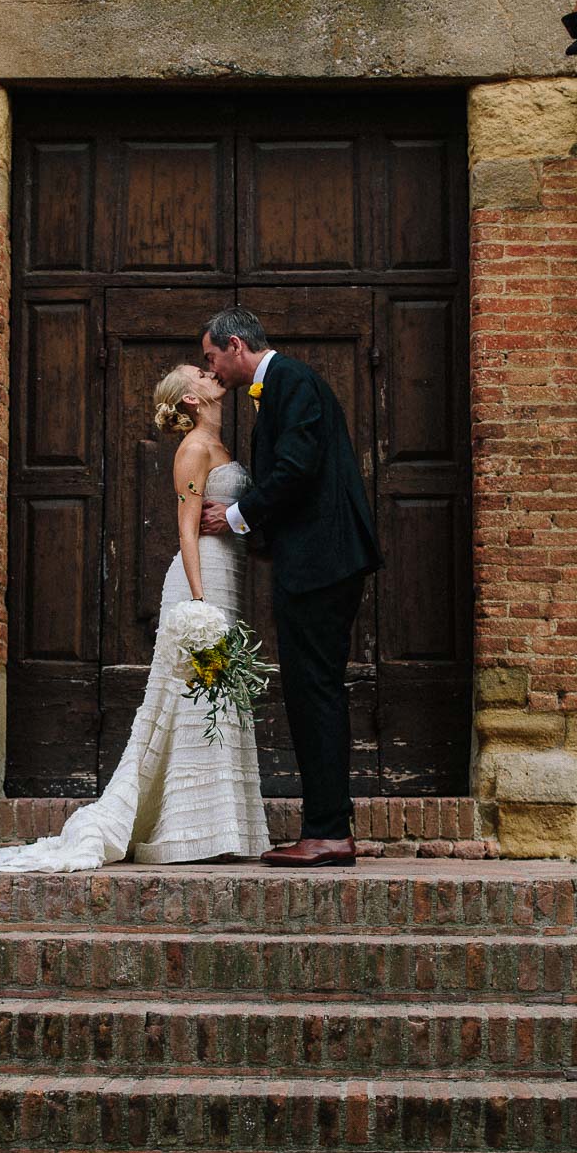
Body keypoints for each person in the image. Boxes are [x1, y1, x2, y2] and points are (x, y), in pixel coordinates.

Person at [0, 364, 269, 873]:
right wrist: (199, 603)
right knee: (198, 698)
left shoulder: (222, 445)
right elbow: (186, 529)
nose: (210, 371)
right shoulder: (193, 448)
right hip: (204, 583)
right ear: (192, 399)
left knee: (221, 697)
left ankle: (222, 824)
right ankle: (187, 831)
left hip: (229, 578)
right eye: (199, 372)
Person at [200, 308, 382, 868]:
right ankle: (330, 824)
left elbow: (297, 469)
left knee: (314, 691)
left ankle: (327, 831)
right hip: (316, 562)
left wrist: (234, 517)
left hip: (322, 564)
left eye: (212, 358)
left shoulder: (292, 381)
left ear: (235, 345)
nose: (213, 371)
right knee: (314, 690)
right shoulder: (282, 384)